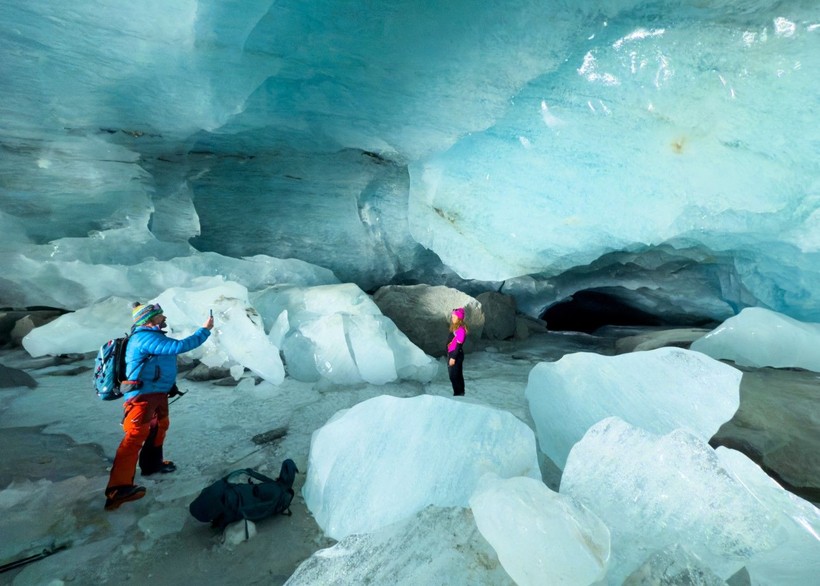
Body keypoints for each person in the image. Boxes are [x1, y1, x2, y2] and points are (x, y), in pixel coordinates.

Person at [104, 302, 213, 511]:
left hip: (157, 393)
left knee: (159, 427)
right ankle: (117, 489)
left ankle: (152, 465)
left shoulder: (154, 335)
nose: (164, 319)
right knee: (134, 436)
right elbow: (177, 347)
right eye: (160, 316)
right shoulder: (144, 337)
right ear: (149, 320)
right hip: (142, 396)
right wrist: (205, 330)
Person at [447, 307, 468, 396]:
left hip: (456, 354)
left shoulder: (460, 330)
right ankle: (459, 393)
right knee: (456, 375)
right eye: (452, 317)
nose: (452, 318)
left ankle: (458, 394)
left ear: (459, 318)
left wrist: (453, 357)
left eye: (454, 317)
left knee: (454, 376)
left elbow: (459, 345)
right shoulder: (456, 328)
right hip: (453, 353)